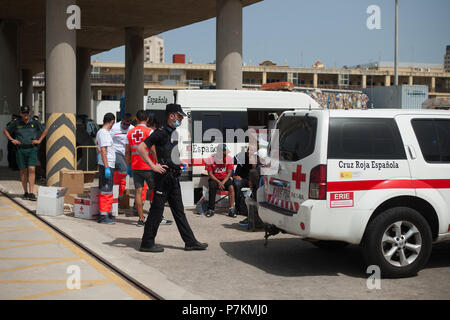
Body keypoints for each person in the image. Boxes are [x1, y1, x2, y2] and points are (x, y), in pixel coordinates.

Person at [137, 103, 207, 252]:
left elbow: (169, 154)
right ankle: (147, 243)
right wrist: (153, 165)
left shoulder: (172, 133)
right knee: (156, 211)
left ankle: (190, 242)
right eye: (179, 116)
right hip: (163, 178)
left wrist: (179, 163)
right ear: (171, 116)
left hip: (173, 177)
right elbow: (141, 147)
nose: (181, 119)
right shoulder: (161, 132)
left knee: (179, 211)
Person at [3, 106, 48, 200]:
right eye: (24, 113)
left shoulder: (34, 122)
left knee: (31, 169)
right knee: (23, 171)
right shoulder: (16, 123)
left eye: (27, 113)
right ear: (21, 114)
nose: (26, 115)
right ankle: (26, 192)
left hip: (32, 149)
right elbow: (5, 130)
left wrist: (39, 140)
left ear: (29, 113)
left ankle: (31, 193)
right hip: (20, 150)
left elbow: (45, 130)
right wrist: (12, 139)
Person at [126, 110, 156, 227]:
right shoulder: (149, 132)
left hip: (135, 167)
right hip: (148, 166)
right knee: (155, 191)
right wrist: (157, 163)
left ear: (136, 119)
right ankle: (156, 217)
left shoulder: (130, 132)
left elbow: (127, 151)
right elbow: (153, 150)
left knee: (138, 192)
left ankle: (141, 218)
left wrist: (128, 164)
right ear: (147, 119)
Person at [204, 143, 237, 218]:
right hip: (214, 178)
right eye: (224, 153)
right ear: (219, 152)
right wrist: (219, 182)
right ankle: (211, 209)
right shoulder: (210, 159)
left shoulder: (228, 158)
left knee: (231, 187)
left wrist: (223, 182)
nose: (225, 154)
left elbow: (229, 173)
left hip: (224, 179)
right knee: (212, 186)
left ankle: (231, 209)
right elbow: (210, 174)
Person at [96, 112, 116, 224]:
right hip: (106, 165)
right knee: (106, 190)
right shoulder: (104, 133)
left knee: (106, 190)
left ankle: (105, 212)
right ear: (112, 122)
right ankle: (104, 216)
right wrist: (107, 166)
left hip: (105, 164)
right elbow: (103, 150)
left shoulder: (100, 132)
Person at [111, 113, 134, 205]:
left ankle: (117, 194)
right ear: (121, 121)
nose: (125, 126)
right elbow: (109, 140)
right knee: (123, 171)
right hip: (116, 152)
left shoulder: (132, 129)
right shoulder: (115, 128)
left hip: (127, 154)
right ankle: (118, 195)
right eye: (124, 124)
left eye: (127, 125)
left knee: (122, 175)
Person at [233, 148, 253, 226]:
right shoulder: (242, 155)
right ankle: (237, 208)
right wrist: (233, 175)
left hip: (252, 180)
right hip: (242, 179)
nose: (249, 151)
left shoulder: (257, 158)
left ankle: (250, 211)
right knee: (237, 184)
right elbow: (229, 162)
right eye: (249, 149)